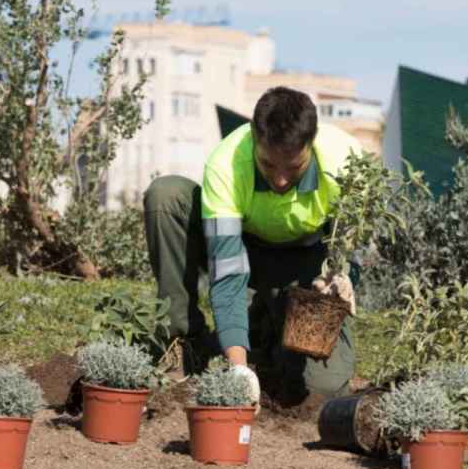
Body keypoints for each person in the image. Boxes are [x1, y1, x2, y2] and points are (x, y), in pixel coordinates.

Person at [143, 86, 360, 407]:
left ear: (310, 146)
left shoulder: (346, 162)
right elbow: (228, 274)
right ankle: (184, 341)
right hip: (246, 254)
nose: (281, 180)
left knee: (321, 389)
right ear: (254, 140)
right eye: (269, 165)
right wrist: (238, 370)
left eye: (294, 167)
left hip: (307, 268)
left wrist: (342, 276)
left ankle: (270, 331)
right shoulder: (228, 163)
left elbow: (352, 250)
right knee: (167, 195)